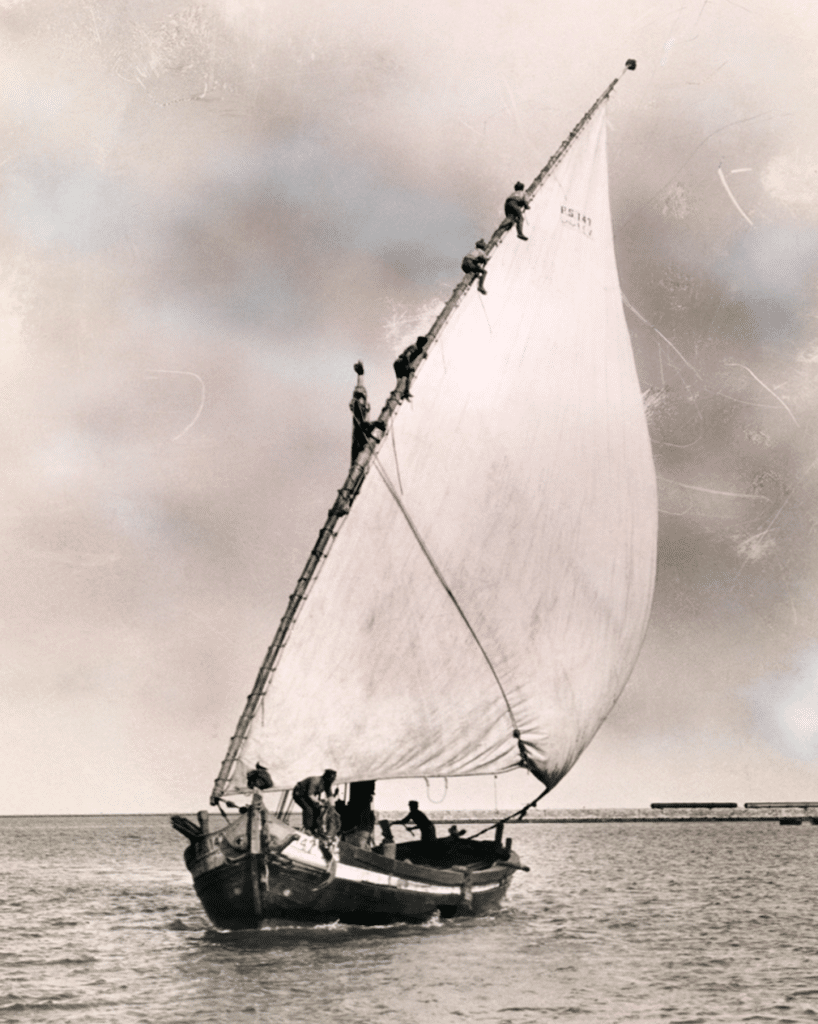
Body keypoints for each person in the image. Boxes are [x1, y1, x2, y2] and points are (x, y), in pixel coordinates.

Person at [293, 769, 337, 834]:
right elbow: (310, 794)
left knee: (317, 809)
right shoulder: (315, 781)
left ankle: (315, 829)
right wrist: (319, 803)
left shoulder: (327, 783)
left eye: (334, 779)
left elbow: (330, 795)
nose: (333, 780)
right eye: (332, 778)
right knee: (309, 809)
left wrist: (333, 807)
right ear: (326, 777)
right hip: (299, 794)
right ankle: (308, 829)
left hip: (308, 795)